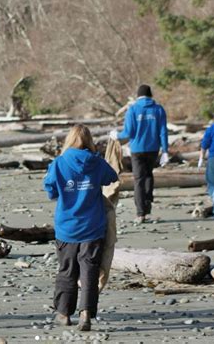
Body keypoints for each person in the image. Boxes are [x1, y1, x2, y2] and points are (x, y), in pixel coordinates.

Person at [44, 124, 118, 331]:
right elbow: (112, 177)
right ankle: (85, 313)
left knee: (67, 270)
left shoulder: (59, 162)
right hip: (93, 226)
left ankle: (64, 313)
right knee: (90, 269)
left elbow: (50, 190)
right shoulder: (96, 162)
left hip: (67, 227)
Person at [110, 84, 168, 223]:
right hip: (153, 149)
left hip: (137, 149)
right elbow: (163, 132)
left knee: (139, 180)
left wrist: (116, 135)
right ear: (150, 95)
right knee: (148, 177)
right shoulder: (159, 109)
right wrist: (165, 151)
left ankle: (140, 213)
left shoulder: (133, 109)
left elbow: (128, 133)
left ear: (138, 96)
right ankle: (147, 210)